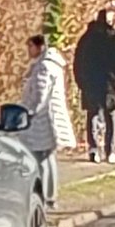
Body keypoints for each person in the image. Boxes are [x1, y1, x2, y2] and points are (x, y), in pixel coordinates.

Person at [19, 34, 77, 210]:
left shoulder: (43, 67)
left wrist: (30, 112)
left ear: (39, 47)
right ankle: (50, 196)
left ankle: (44, 196)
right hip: (49, 116)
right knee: (48, 157)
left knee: (40, 157)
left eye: (30, 47)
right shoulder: (52, 65)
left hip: (42, 120)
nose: (29, 51)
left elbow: (40, 95)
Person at [72, 4, 115, 164]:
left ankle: (93, 149)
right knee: (110, 115)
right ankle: (109, 151)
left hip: (90, 81)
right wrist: (114, 66)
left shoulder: (86, 37)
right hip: (109, 82)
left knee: (92, 114)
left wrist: (80, 80)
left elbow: (78, 61)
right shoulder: (114, 37)